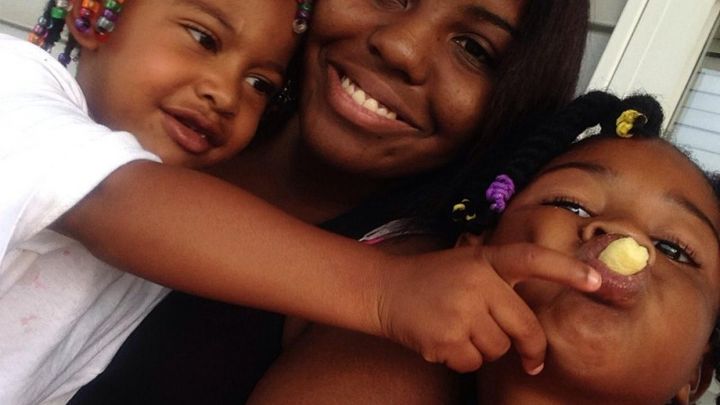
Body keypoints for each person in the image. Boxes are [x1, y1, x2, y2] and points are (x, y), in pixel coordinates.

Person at [62, 1, 598, 403]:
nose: (401, 46)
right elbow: (102, 192)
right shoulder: (126, 108)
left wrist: (398, 293)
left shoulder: (423, 309)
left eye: (474, 49)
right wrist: (385, 291)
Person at [246, 92, 720, 405]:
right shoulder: (380, 352)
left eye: (674, 248)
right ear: (470, 253)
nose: (624, 233)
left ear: (697, 371)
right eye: (570, 205)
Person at [0, 0, 301, 403]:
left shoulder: (156, 265)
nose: (226, 95)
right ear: (93, 15)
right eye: (203, 38)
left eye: (259, 84)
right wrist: (379, 295)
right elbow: (113, 195)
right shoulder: (15, 79)